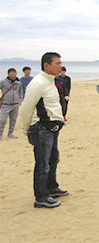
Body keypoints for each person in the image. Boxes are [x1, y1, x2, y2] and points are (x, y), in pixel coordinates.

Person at [20, 52, 68, 208]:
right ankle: (41, 196)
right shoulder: (38, 83)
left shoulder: (51, 82)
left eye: (60, 63)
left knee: (53, 159)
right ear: (46, 65)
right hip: (41, 129)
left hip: (52, 129)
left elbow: (53, 105)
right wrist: (26, 129)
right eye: (57, 63)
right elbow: (26, 108)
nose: (60, 66)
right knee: (42, 163)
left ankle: (52, 187)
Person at [0, 68, 23, 139]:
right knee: (2, 120)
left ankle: (10, 133)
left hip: (15, 104)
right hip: (5, 103)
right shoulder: (3, 82)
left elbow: (20, 90)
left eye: (15, 72)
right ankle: (0, 134)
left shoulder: (18, 82)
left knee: (13, 120)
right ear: (8, 73)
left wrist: (21, 98)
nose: (14, 74)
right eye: (12, 73)